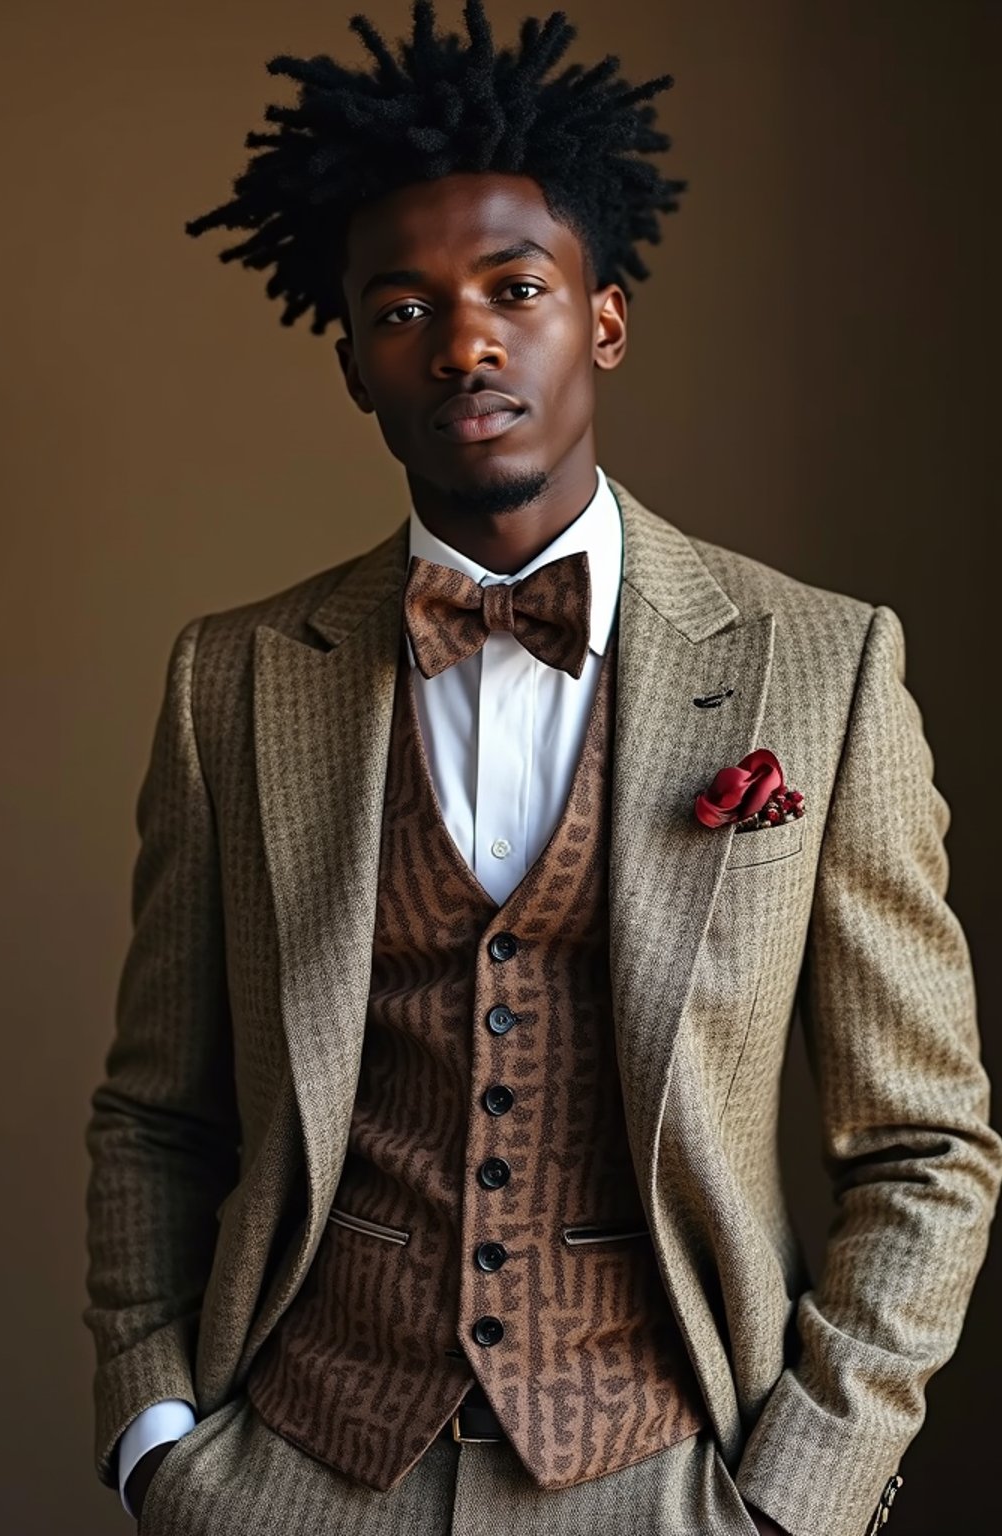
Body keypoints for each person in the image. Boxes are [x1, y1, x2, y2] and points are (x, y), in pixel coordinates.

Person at [82, 4, 1001, 1534]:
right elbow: (158, 1115)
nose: (465, 343)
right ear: (355, 366)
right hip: (296, 1469)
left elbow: (926, 1142)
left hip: (670, 1478)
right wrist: (158, 1434)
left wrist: (803, 1492)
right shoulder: (232, 681)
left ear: (606, 319)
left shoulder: (821, 668)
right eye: (403, 309)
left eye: (517, 289)